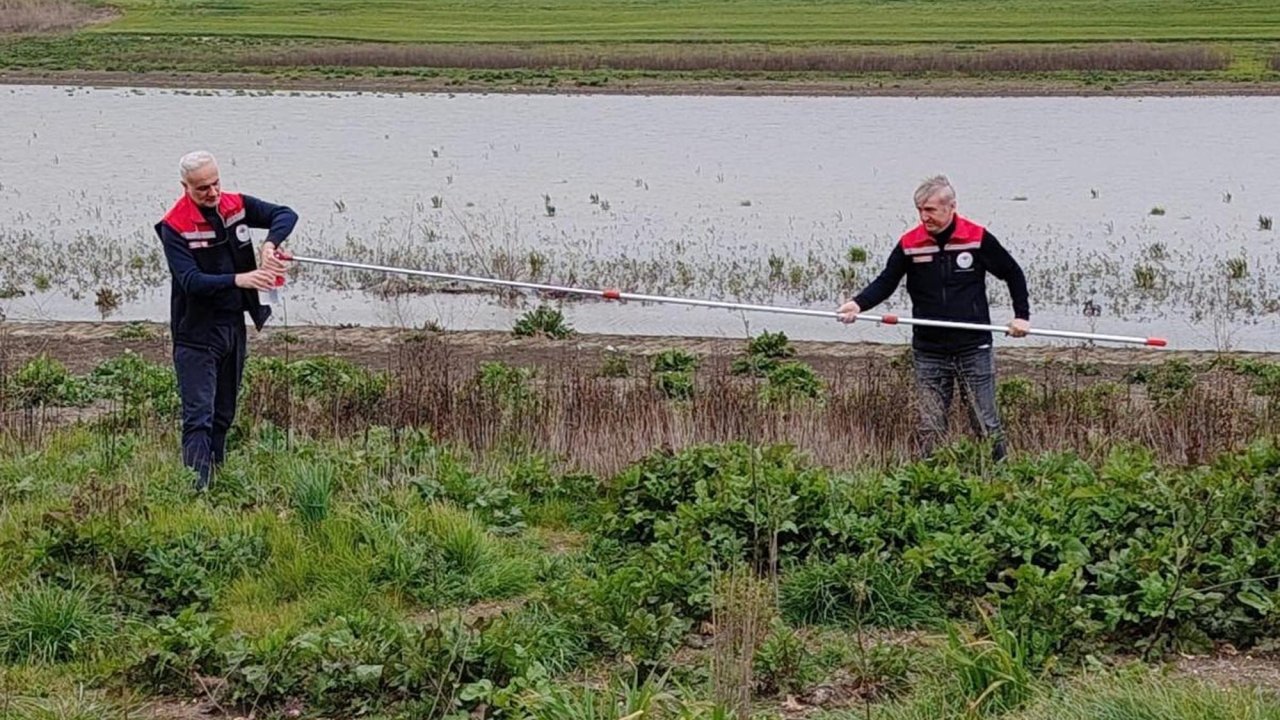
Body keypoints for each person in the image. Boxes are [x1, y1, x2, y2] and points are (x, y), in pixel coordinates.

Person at [837, 175, 1030, 462]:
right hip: (929, 350)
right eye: (920, 210)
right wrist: (857, 304)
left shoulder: (976, 238)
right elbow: (886, 281)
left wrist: (1021, 316)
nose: (924, 217)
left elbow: (1012, 273)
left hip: (973, 346)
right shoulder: (910, 243)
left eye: (930, 210)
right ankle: (927, 481)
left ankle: (1000, 475)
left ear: (951, 207)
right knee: (931, 427)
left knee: (985, 424)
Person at [155, 150, 296, 490]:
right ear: (185, 186)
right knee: (198, 419)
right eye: (203, 188)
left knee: (224, 414)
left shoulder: (236, 205)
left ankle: (216, 478)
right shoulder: (174, 226)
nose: (213, 193)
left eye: (216, 183)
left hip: (233, 326)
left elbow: (285, 214)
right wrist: (241, 279)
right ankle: (196, 491)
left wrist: (269, 245)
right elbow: (189, 281)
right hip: (196, 332)